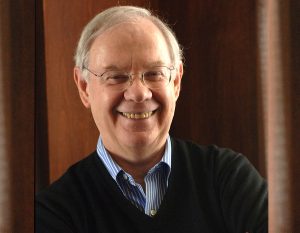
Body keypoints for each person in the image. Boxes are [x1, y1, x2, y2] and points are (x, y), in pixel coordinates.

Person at [36, 5, 267, 233]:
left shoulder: (227, 178)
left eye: (154, 73)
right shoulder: (55, 211)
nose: (139, 93)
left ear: (175, 82)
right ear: (84, 88)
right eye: (116, 76)